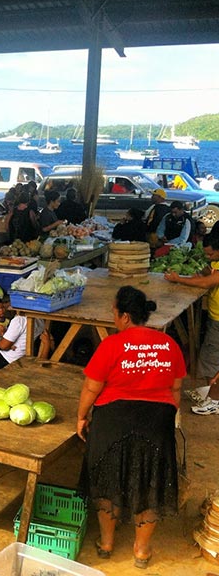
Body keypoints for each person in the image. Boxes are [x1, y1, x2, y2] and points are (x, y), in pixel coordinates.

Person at [76, 286, 185, 568]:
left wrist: (81, 416)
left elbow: (91, 387)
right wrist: (166, 421)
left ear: (124, 316)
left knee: (108, 479)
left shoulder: (112, 344)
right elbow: (175, 389)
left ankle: (107, 543)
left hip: (114, 418)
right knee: (150, 482)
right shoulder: (168, 344)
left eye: (114, 312)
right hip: (156, 421)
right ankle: (141, 550)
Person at [165, 235, 219, 405]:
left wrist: (178, 279)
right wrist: (200, 273)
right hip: (214, 316)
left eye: (211, 254)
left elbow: (206, 283)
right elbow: (205, 275)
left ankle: (214, 399)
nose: (208, 258)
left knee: (210, 358)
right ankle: (210, 392)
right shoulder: (215, 264)